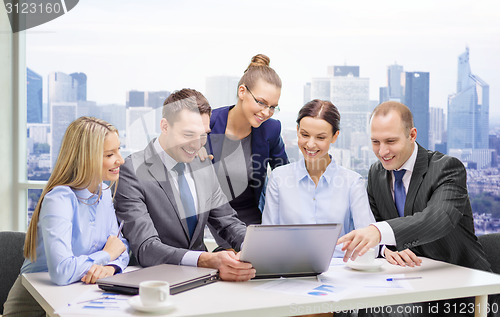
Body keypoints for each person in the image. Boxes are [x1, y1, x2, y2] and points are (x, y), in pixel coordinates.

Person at [338, 101, 493, 316]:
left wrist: (377, 232)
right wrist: (385, 248)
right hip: (410, 281)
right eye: (375, 142)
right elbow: (383, 230)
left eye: (391, 141)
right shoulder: (376, 173)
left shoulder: (446, 168)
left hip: (461, 289)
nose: (382, 151)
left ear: (412, 135)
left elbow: (438, 219)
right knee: (355, 307)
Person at [114, 88, 255, 281]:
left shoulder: (203, 165)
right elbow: (146, 247)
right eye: (188, 134)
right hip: (156, 283)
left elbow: (227, 222)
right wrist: (206, 260)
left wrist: (255, 248)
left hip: (203, 281)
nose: (197, 145)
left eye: (203, 135)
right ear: (165, 126)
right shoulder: (133, 170)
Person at [3, 117, 129, 317]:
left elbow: (120, 245)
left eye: (119, 150)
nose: (120, 160)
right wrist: (106, 256)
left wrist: (112, 266)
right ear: (87, 157)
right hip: (37, 305)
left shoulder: (103, 192)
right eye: (110, 154)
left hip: (78, 295)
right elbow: (62, 272)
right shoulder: (59, 199)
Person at [262, 100, 375, 257]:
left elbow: (369, 243)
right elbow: (267, 238)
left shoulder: (352, 182)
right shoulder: (279, 178)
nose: (310, 144)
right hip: (291, 270)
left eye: (320, 138)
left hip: (340, 271)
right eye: (304, 135)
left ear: (335, 136)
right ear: (297, 130)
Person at [205, 54, 289, 248]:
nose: (266, 112)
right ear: (242, 91)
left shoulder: (271, 129)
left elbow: (284, 176)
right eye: (261, 102)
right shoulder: (208, 123)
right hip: (208, 216)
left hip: (249, 215)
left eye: (272, 107)